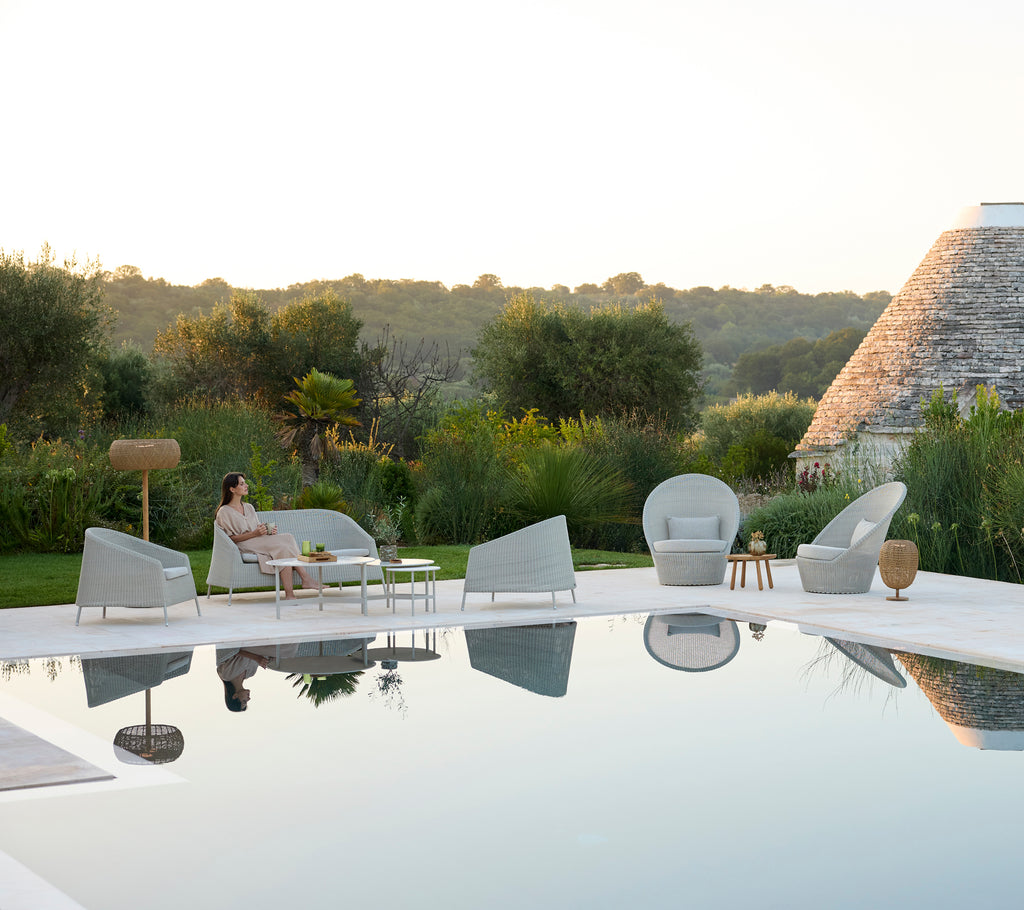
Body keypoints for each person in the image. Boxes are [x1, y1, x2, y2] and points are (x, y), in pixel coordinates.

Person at [214, 472, 315, 601]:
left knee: (288, 537)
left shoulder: (249, 507)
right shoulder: (224, 512)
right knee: (283, 548)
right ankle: (300, 584)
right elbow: (229, 539)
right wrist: (254, 534)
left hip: (257, 540)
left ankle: (296, 589)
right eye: (242, 484)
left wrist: (267, 531)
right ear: (232, 489)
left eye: (245, 483)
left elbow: (256, 528)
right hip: (242, 545)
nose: (246, 485)